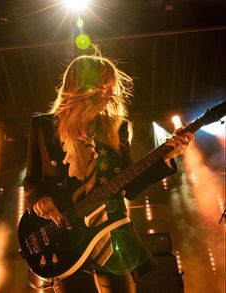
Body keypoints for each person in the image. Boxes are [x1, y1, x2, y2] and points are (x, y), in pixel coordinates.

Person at [23, 50, 194, 293]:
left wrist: (165, 157)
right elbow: (31, 179)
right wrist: (38, 198)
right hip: (63, 235)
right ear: (81, 85)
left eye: (111, 86)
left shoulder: (117, 126)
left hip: (110, 230)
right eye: (103, 85)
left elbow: (130, 186)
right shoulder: (42, 126)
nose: (110, 93)